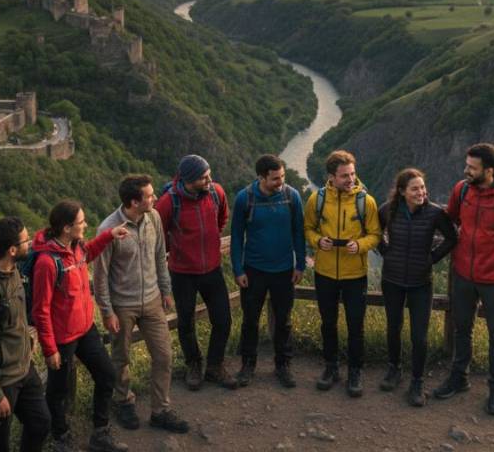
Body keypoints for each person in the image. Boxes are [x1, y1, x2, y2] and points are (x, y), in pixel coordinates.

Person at [433, 143, 494, 416]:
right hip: (463, 275)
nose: (466, 171)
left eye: (472, 168)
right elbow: (450, 219)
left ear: (489, 170)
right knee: (461, 329)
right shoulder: (462, 190)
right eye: (466, 165)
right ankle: (459, 378)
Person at [31, 200, 130, 452]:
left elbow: (90, 253)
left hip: (85, 329)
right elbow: (41, 310)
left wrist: (109, 235)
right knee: (58, 391)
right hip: (62, 338)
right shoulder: (47, 263)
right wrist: (49, 349)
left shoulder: (76, 247)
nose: (85, 225)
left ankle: (100, 433)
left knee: (107, 375)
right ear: (66, 228)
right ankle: (61, 437)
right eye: (81, 222)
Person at [94, 174, 189, 434]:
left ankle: (160, 410)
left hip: (152, 299)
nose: (155, 198)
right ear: (135, 202)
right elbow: (100, 276)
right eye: (149, 196)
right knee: (120, 357)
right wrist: (107, 312)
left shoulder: (154, 217)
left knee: (164, 355)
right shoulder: (108, 229)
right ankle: (123, 401)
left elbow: (160, 256)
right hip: (122, 305)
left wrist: (165, 290)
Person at [0, 217, 51, 452]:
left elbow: (15, 317)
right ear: (12, 250)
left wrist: (27, 339)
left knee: (40, 423)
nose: (30, 243)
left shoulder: (12, 271)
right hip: (1, 380)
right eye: (26, 240)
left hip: (23, 370)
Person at [304, 149, 381, 397]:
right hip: (325, 272)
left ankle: (355, 371)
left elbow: (375, 235)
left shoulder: (366, 202)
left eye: (352, 174)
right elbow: (308, 228)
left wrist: (360, 245)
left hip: (355, 274)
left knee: (355, 325)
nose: (351, 179)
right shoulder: (316, 200)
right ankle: (331, 367)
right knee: (328, 323)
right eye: (344, 175)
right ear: (331, 177)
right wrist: (318, 241)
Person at [155, 154, 236, 390]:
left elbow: (222, 218)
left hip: (212, 269)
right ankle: (194, 364)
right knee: (186, 322)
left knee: (223, 319)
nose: (210, 180)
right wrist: (176, 252)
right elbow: (158, 236)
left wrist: (211, 241)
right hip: (182, 273)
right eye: (203, 177)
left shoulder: (216, 193)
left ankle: (214, 366)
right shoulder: (169, 203)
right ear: (189, 180)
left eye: (209, 175)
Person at [378, 168, 457, 406]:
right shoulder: (387, 210)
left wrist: (431, 259)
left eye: (422, 187)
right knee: (393, 327)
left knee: (419, 336)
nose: (421, 192)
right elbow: (373, 232)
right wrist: (386, 253)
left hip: (421, 283)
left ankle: (417, 381)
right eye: (415, 189)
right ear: (402, 191)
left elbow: (452, 238)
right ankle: (394, 369)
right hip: (392, 280)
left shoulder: (435, 213)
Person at [230, 154, 305, 388]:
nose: (281, 182)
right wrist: (238, 269)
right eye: (275, 179)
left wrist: (300, 264)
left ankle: (283, 365)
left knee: (283, 321)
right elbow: (236, 237)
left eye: (282, 176)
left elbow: (299, 232)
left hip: (284, 270)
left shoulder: (291, 196)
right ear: (261, 177)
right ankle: (247, 365)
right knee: (250, 321)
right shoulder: (245, 199)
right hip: (254, 270)